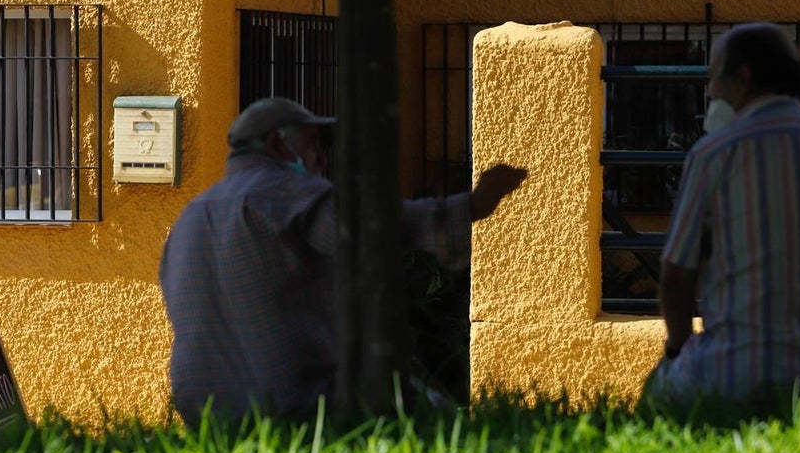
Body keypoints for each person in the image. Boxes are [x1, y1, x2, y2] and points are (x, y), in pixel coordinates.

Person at [160, 97, 527, 426]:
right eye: (314, 146)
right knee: (443, 420)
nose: (321, 159)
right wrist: (473, 205)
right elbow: (371, 230)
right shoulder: (283, 190)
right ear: (277, 144)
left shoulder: (190, 216)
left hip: (205, 414)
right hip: (297, 402)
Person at [642, 22, 800, 417]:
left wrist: (677, 353)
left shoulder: (714, 153)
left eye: (713, 79)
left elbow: (675, 274)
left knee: (657, 395)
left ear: (742, 78)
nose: (710, 93)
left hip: (739, 374)